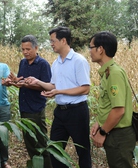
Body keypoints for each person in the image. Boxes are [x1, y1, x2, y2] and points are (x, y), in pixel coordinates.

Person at [26, 26, 92, 168]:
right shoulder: (56, 63)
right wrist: (38, 82)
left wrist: (59, 91)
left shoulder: (78, 60)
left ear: (63, 40)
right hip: (60, 112)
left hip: (77, 111)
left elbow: (85, 88)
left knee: (83, 150)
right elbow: (54, 86)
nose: (51, 44)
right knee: (54, 150)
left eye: (53, 40)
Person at [89, 31, 136, 167]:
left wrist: (102, 132)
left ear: (100, 49)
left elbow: (118, 110)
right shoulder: (107, 72)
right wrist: (99, 122)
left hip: (118, 136)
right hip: (114, 133)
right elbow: (109, 104)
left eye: (91, 47)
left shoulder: (114, 73)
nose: (90, 51)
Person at [8, 35, 52, 168]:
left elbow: (46, 86)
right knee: (29, 142)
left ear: (36, 48)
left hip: (36, 108)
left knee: (41, 142)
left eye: (28, 49)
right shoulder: (23, 62)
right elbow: (23, 81)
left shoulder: (43, 64)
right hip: (24, 107)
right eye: (23, 49)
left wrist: (27, 85)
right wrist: (16, 81)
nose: (25, 52)